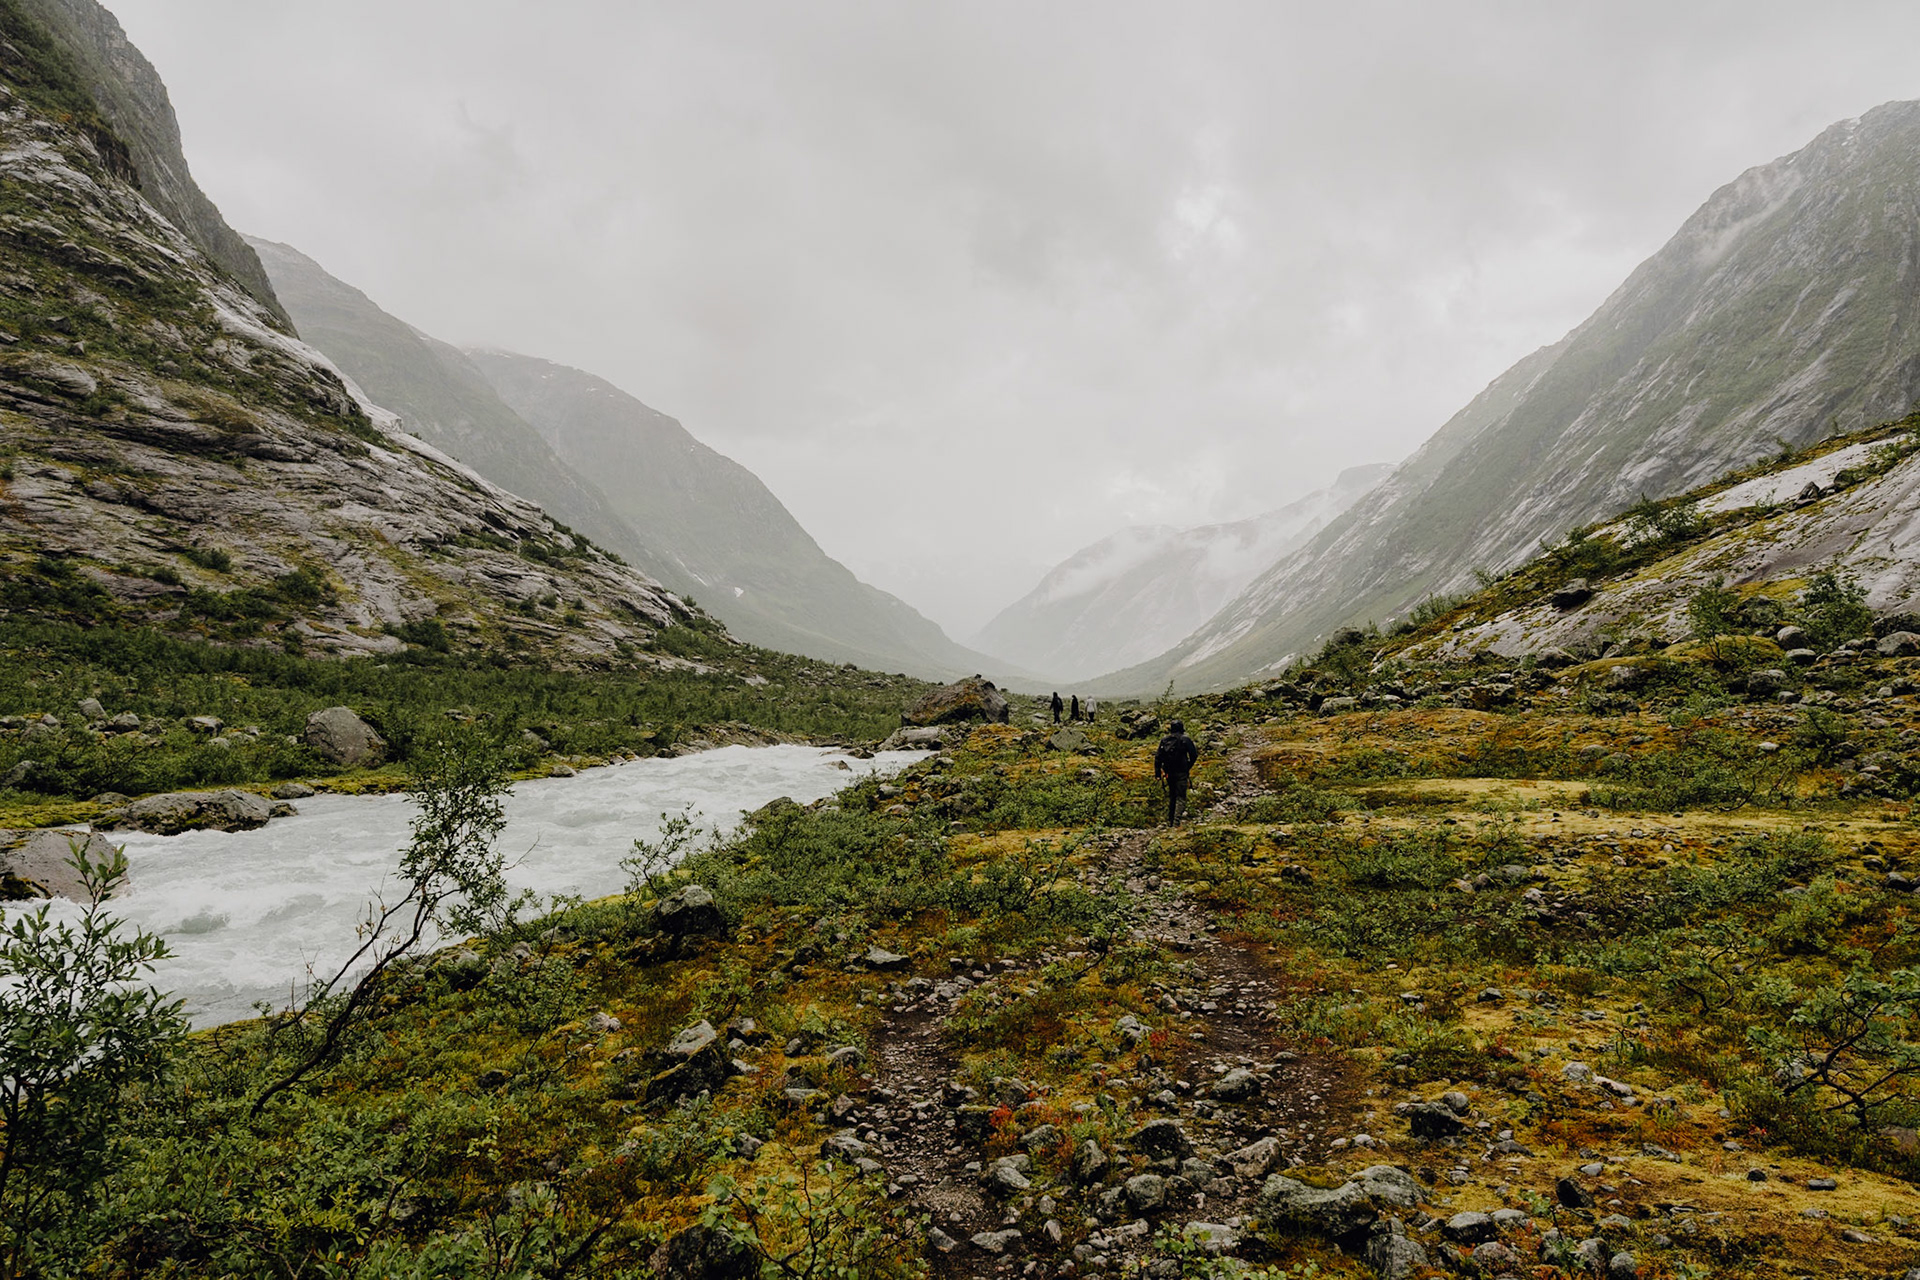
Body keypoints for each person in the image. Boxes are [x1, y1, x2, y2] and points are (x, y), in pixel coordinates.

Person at [1153, 719, 1199, 824]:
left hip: (1169, 772)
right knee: (1181, 797)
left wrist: (1158, 774)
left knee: (1172, 796)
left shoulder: (1164, 740)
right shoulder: (1185, 739)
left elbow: (1158, 758)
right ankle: (1176, 822)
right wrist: (1188, 766)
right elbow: (1194, 755)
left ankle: (1170, 820)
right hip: (1181, 772)